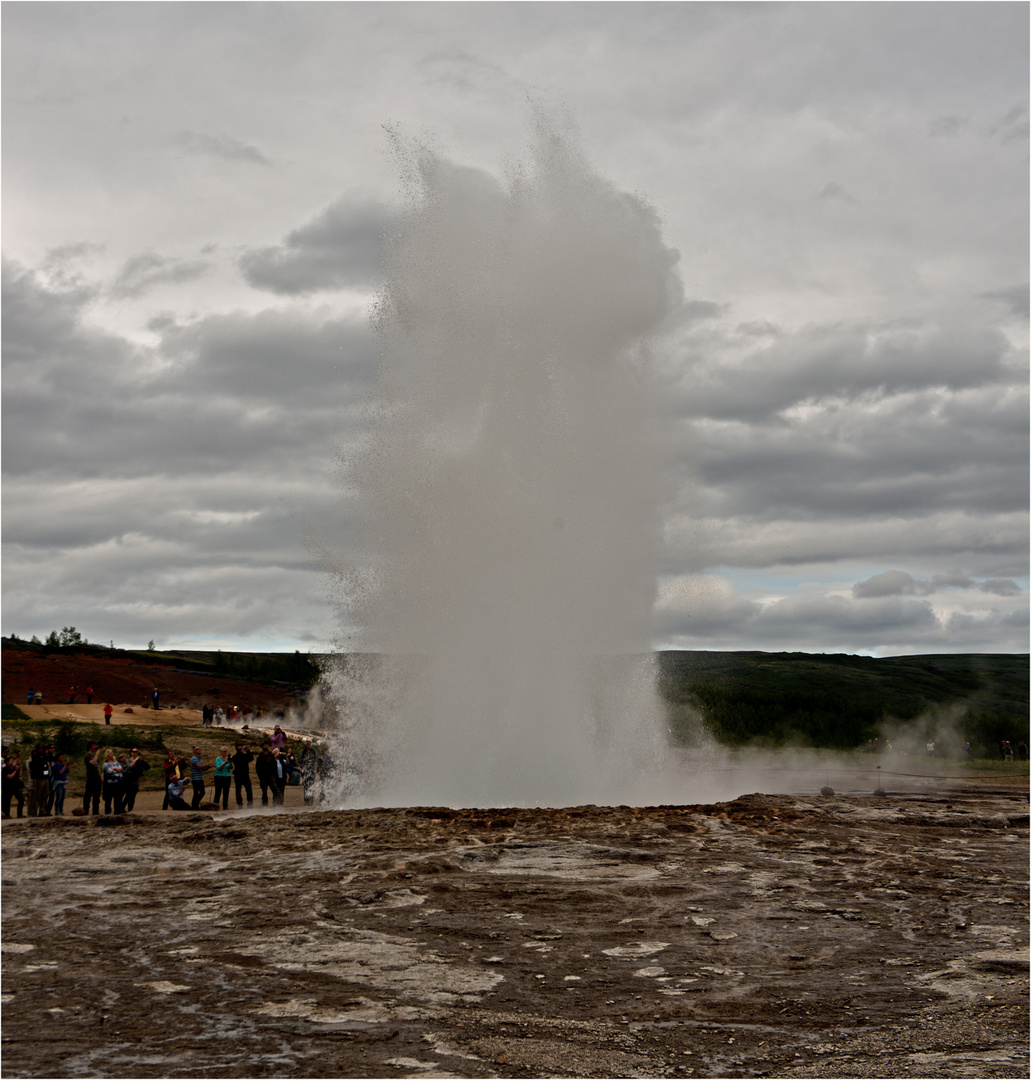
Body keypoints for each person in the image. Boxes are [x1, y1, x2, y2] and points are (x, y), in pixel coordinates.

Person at [2, 751, 25, 818]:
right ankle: (6, 814)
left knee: (21, 799)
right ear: (7, 762)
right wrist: (15, 771)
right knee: (7, 801)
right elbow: (9, 777)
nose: (12, 761)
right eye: (10, 760)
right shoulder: (5, 769)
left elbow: (19, 775)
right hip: (8, 786)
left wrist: (19, 769)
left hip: (15, 786)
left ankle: (19, 813)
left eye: (12, 760)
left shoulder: (14, 768)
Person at [101, 750, 124, 814]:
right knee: (108, 798)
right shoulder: (105, 764)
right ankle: (108, 812)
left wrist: (114, 769)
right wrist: (116, 770)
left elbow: (121, 768)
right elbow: (110, 772)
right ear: (107, 755)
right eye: (110, 753)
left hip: (117, 782)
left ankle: (117, 811)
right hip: (109, 783)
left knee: (118, 798)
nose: (112, 754)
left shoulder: (116, 763)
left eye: (112, 753)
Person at [83, 743, 102, 815]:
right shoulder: (87, 756)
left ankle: (95, 811)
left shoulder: (94, 755)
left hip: (97, 778)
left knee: (97, 796)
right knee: (88, 795)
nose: (95, 747)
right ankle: (86, 810)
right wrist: (97, 754)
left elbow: (98, 766)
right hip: (90, 778)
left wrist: (100, 776)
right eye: (93, 745)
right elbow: (93, 763)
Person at [300, 740, 319, 806]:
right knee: (305, 786)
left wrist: (317, 769)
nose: (309, 746)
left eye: (310, 744)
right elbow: (299, 761)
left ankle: (311, 800)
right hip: (305, 772)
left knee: (311, 785)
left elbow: (317, 759)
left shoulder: (313, 751)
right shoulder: (303, 752)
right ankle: (306, 800)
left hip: (311, 771)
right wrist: (303, 762)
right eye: (308, 744)